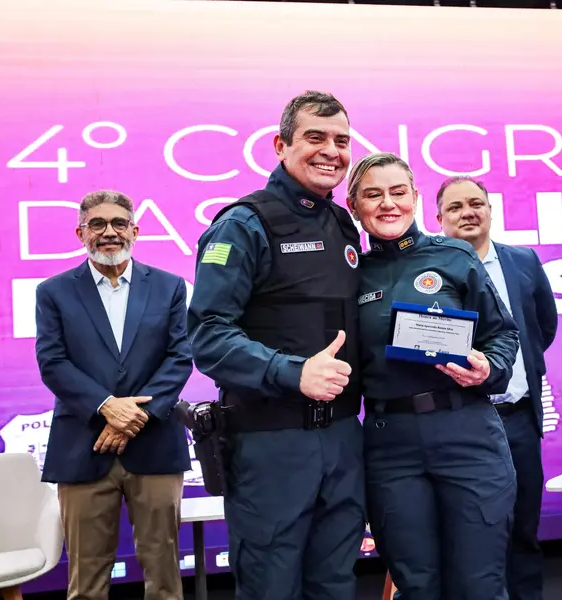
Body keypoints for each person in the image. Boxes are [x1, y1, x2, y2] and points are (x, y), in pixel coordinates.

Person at [188, 91, 365, 600]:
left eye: (341, 141)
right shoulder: (243, 224)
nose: (331, 151)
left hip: (341, 441)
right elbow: (208, 334)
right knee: (271, 588)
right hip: (271, 445)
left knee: (334, 585)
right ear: (280, 144)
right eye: (315, 138)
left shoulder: (340, 222)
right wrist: (293, 372)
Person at [347, 152, 520, 600]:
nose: (388, 203)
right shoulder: (350, 275)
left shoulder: (455, 255)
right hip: (391, 444)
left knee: (478, 585)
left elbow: (502, 334)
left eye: (398, 192)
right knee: (417, 585)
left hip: (467, 433)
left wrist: (488, 367)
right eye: (373, 194)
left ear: (416, 198)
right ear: (353, 206)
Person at [35, 190, 192, 600]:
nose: (109, 232)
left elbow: (180, 357)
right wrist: (107, 407)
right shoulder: (53, 292)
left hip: (154, 445)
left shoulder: (170, 287)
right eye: (97, 224)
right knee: (86, 579)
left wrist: (136, 416)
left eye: (119, 223)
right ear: (80, 233)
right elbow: (53, 363)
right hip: (82, 448)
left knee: (164, 575)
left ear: (135, 231)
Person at [436, 175, 557, 600]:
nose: (468, 212)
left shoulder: (523, 261)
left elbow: (543, 327)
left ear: (490, 210)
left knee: (524, 531)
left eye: (476, 203)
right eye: (455, 207)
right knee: (468, 539)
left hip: (518, 419)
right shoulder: (428, 266)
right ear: (438, 218)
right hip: (460, 422)